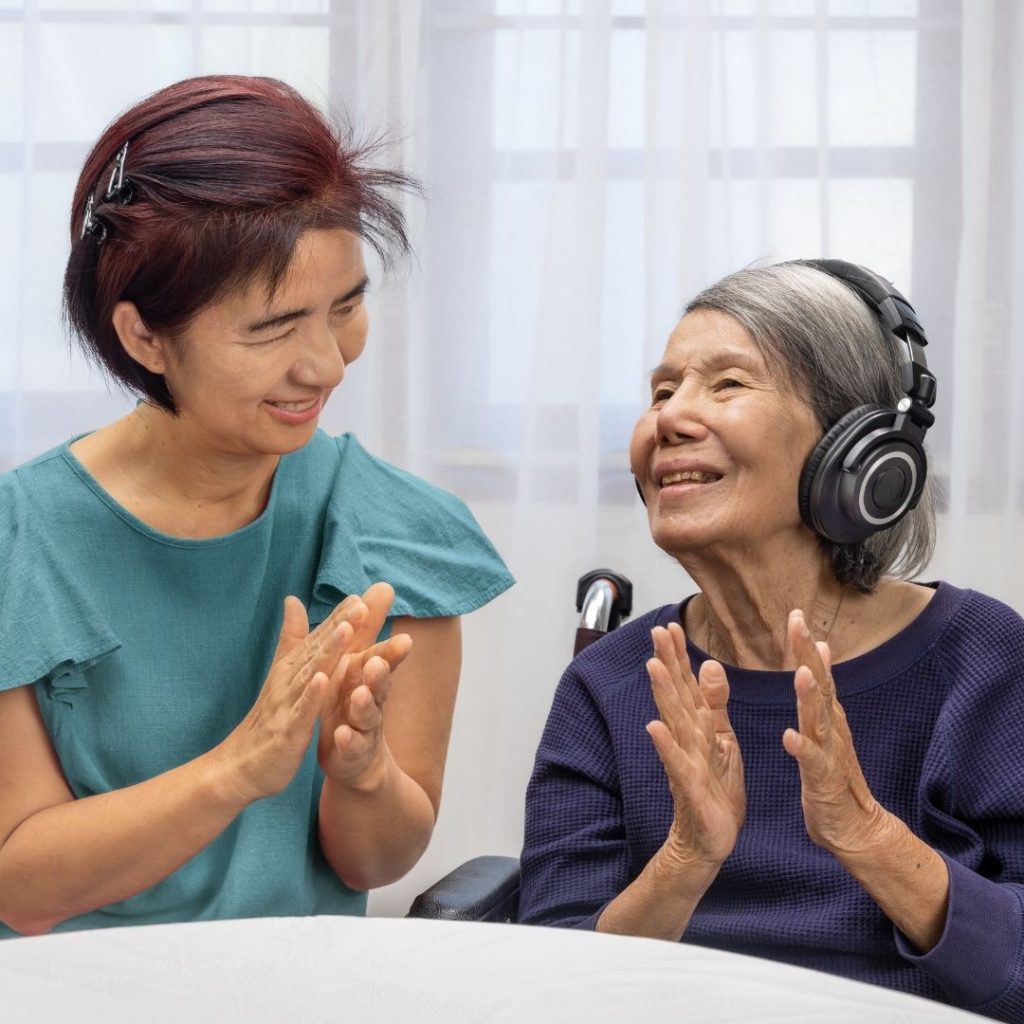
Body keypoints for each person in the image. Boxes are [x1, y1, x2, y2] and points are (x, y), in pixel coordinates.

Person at [0, 75, 513, 938]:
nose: (326, 364)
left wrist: (361, 775)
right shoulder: (22, 538)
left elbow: (377, 864)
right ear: (144, 337)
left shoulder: (392, 528)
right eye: (273, 329)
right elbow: (22, 887)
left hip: (297, 988)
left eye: (346, 308)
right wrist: (241, 767)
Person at [518, 259, 1024, 1022]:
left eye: (726, 385)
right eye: (662, 391)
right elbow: (546, 987)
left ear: (855, 447)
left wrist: (866, 835)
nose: (670, 419)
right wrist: (687, 861)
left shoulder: (981, 660)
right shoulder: (612, 685)